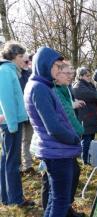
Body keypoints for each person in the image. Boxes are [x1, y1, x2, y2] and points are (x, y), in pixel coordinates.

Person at [24, 47, 81, 216]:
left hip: (55, 149)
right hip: (57, 151)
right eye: (56, 66)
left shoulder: (42, 86)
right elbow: (53, 127)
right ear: (44, 65)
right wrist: (74, 139)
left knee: (55, 198)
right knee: (60, 200)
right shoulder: (39, 88)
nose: (59, 70)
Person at [0, 41, 34, 206]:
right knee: (13, 161)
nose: (24, 60)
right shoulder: (6, 71)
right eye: (21, 56)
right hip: (11, 124)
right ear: (12, 57)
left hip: (11, 122)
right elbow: (7, 101)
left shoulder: (10, 70)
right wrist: (13, 125)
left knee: (7, 159)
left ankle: (6, 197)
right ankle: (16, 199)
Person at [72, 67, 97, 164]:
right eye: (87, 75)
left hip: (92, 115)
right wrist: (96, 95)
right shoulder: (78, 86)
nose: (89, 77)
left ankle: (87, 157)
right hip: (86, 116)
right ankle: (84, 159)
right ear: (80, 76)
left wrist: (96, 95)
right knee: (86, 139)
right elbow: (95, 95)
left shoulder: (89, 85)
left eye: (90, 75)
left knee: (90, 138)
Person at [19, 53, 35, 174]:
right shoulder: (14, 73)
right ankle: (18, 165)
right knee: (18, 140)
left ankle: (28, 165)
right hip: (18, 112)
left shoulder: (30, 73)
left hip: (29, 112)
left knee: (27, 140)